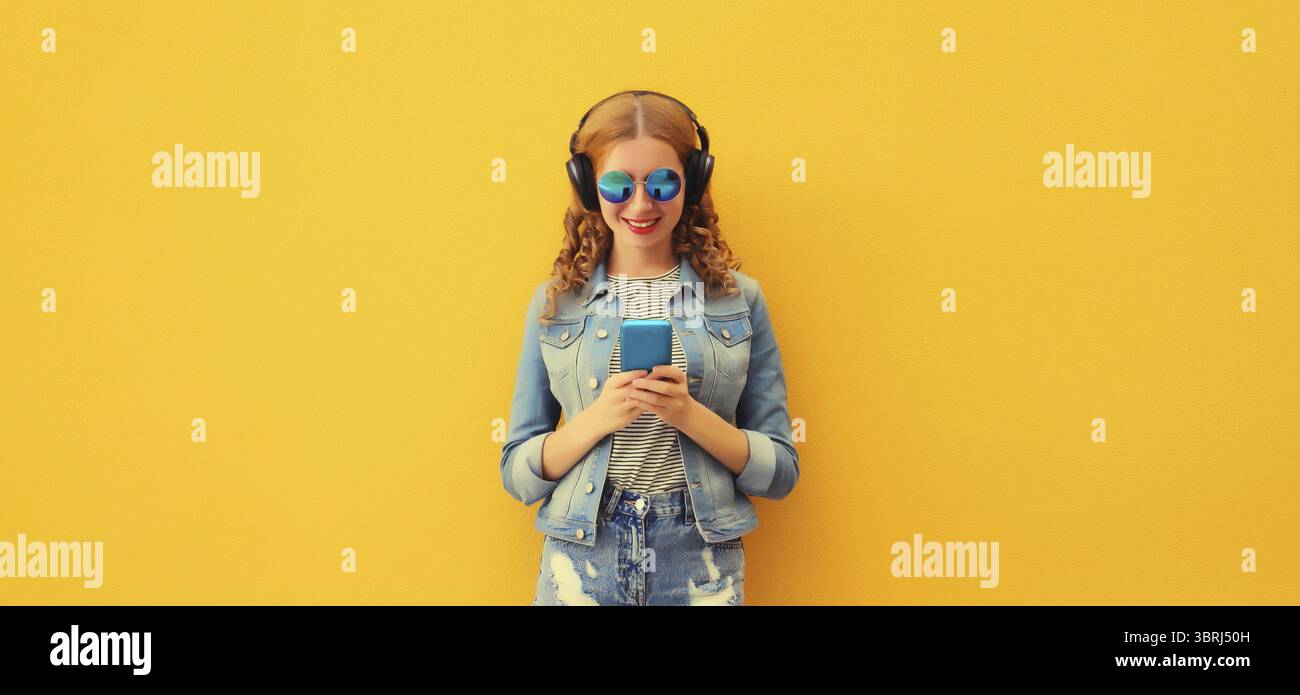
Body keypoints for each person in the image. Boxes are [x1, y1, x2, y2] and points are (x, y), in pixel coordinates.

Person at [501, 90, 799, 605]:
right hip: (581, 554)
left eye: (663, 183)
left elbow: (780, 473)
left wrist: (687, 413)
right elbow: (517, 474)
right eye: (618, 185)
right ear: (590, 188)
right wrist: (598, 418)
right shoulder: (557, 304)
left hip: (698, 555)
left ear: (693, 182)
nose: (641, 205)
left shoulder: (736, 299)